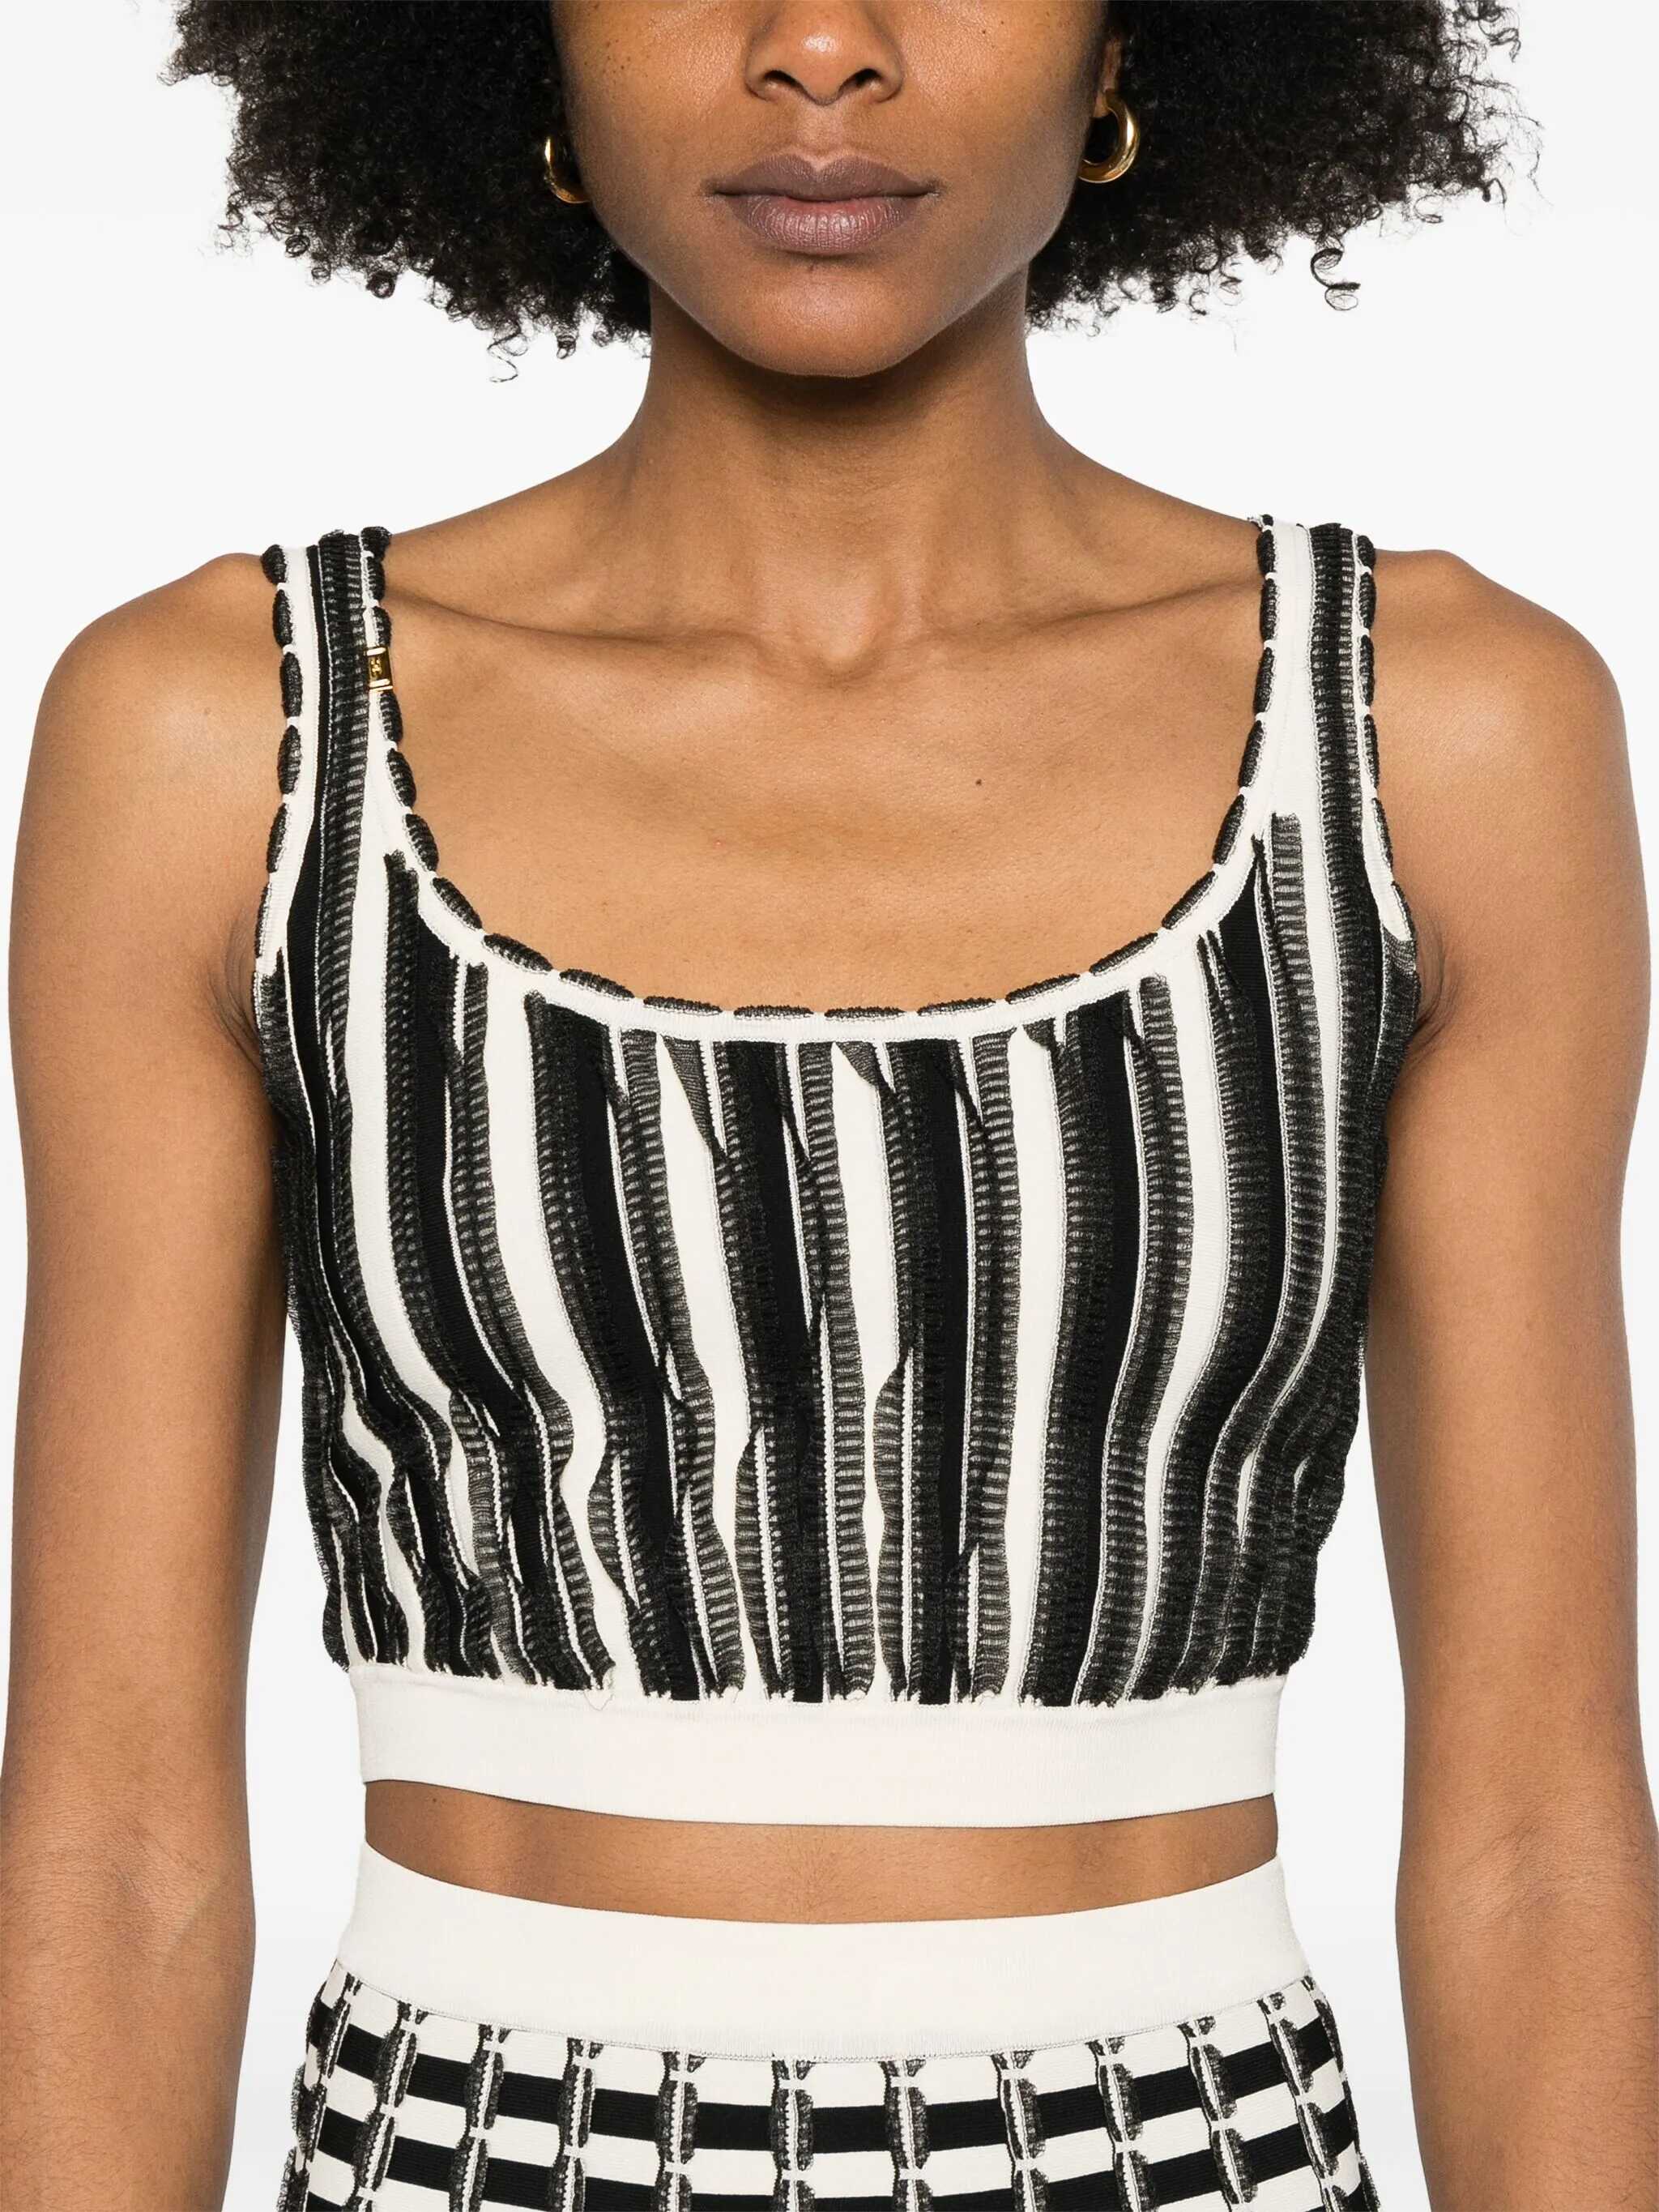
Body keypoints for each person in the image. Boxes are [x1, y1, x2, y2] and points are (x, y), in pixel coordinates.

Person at [2, 4, 1653, 2207]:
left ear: (1128, 41)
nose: (820, 49)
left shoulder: (1433, 741)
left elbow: (1539, 1835)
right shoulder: (225, 744)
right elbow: (112, 1844)